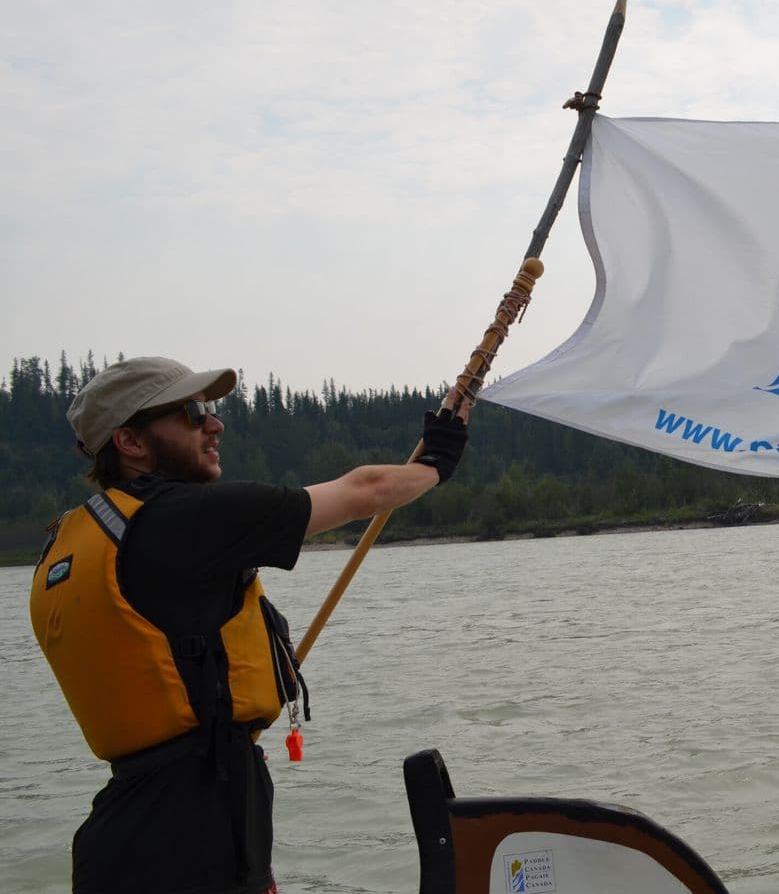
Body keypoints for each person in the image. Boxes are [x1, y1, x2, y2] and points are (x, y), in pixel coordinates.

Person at [29, 356, 468, 894]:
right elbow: (367, 489)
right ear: (131, 442)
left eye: (211, 410)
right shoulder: (180, 519)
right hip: (190, 844)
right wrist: (440, 459)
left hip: (128, 832)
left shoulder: (75, 538)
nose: (215, 424)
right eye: (192, 413)